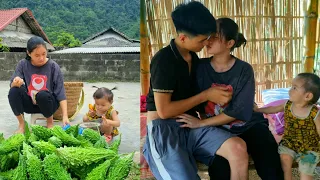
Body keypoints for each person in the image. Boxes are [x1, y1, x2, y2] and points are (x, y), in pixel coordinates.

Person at [143, 2, 249, 180]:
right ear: (183, 38)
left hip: (191, 125)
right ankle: (155, 152)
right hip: (164, 130)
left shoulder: (193, 57)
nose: (207, 43)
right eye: (202, 40)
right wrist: (207, 94)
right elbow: (164, 111)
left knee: (238, 148)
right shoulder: (164, 60)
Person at [177, 17, 284, 179]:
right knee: (220, 168)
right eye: (209, 35)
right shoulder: (199, 67)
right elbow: (194, 99)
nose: (208, 41)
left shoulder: (243, 70)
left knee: (270, 162)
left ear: (229, 44)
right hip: (218, 129)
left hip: (249, 125)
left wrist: (201, 123)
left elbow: (238, 112)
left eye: (216, 37)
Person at [254, 73, 320, 180]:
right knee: (284, 160)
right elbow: (273, 109)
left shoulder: (314, 113)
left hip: (309, 148)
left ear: (307, 96)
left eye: (294, 88)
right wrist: (258, 110)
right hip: (289, 143)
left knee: (306, 170)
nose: (290, 90)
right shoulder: (288, 104)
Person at [8, 36, 70, 133]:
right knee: (14, 91)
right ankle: (22, 124)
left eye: (44, 54)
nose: (41, 58)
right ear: (28, 53)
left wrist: (65, 116)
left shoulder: (53, 66)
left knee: (42, 94)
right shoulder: (23, 64)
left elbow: (61, 93)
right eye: (37, 55)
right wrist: (16, 82)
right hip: (30, 104)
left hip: (49, 104)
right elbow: (12, 86)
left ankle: (50, 123)